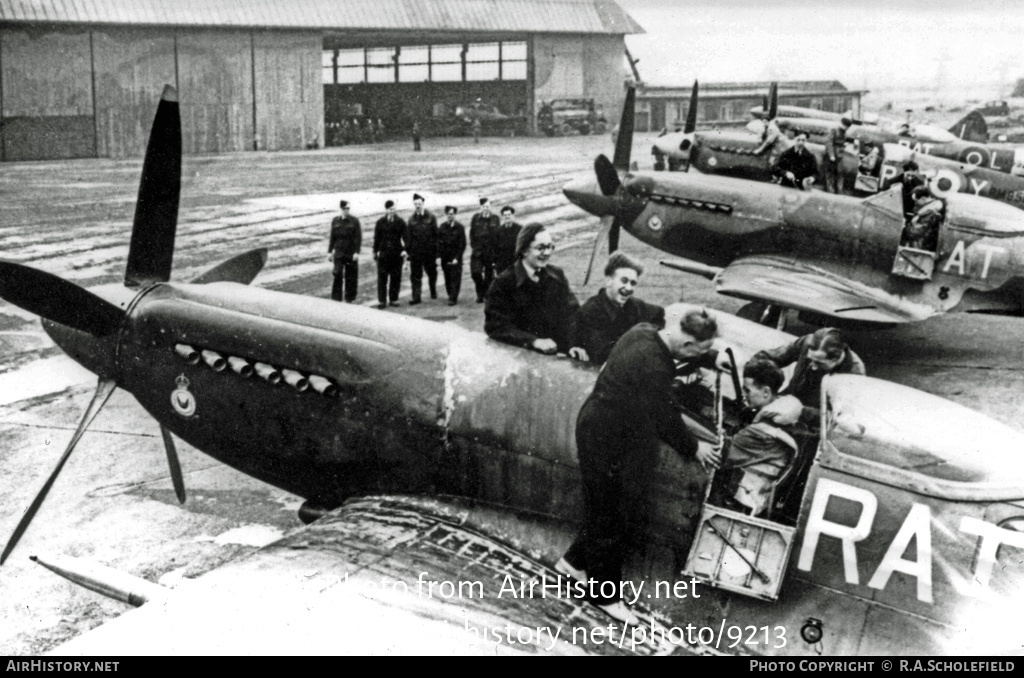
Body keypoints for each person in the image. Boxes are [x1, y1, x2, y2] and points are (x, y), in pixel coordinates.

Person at [557, 308, 722, 624]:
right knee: (612, 513)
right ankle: (604, 595)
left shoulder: (643, 331)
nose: (701, 354)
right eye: (700, 350)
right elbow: (665, 416)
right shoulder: (654, 368)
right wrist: (694, 447)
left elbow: (674, 360)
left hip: (599, 424)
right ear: (687, 344)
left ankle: (573, 563)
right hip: (607, 438)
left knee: (606, 507)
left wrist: (711, 357)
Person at [714, 360, 803, 516]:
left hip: (737, 502)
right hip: (750, 498)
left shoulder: (761, 432)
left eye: (747, 390)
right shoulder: (779, 419)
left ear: (766, 393)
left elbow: (720, 453)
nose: (744, 395)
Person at [484, 223, 581, 357]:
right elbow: (496, 326)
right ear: (524, 250)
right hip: (524, 360)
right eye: (540, 248)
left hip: (560, 358)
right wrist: (533, 341)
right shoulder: (503, 283)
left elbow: (573, 314)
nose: (547, 253)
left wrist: (574, 344)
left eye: (549, 247)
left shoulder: (557, 276)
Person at [753, 327, 865, 424]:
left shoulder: (854, 374)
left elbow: (840, 419)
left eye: (819, 363)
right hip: (784, 402)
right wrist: (754, 380)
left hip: (811, 425)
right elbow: (767, 358)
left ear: (836, 359)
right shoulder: (807, 343)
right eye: (810, 360)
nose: (813, 367)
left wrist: (800, 411)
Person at [571, 252, 665, 365]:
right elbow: (602, 352)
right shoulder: (590, 311)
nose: (629, 288)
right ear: (608, 281)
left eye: (633, 283)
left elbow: (658, 314)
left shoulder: (635, 305)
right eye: (624, 281)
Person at [405, 193, 439, 305]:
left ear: (423, 203)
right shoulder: (411, 219)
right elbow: (408, 237)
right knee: (415, 276)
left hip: (429, 252)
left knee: (432, 273)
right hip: (416, 253)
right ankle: (416, 297)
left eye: (419, 203)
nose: (417, 206)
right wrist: (409, 252)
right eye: (415, 204)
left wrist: (436, 253)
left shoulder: (431, 217)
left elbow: (436, 236)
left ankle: (433, 290)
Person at [373, 200, 406, 309]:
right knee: (382, 279)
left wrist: (405, 250)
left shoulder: (400, 222)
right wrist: (375, 252)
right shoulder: (380, 222)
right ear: (386, 210)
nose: (393, 211)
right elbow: (376, 239)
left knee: (395, 278)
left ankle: (394, 299)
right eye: (391, 209)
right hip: (383, 254)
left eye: (394, 209)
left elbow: (407, 237)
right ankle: (382, 301)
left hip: (396, 254)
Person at [327, 200, 362, 303]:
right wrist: (329, 251)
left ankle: (349, 298)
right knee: (337, 274)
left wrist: (357, 252)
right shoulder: (335, 221)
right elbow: (332, 237)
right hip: (339, 252)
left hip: (350, 252)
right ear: (341, 209)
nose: (347, 210)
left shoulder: (354, 221)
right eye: (345, 209)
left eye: (348, 209)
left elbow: (358, 237)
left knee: (351, 276)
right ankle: (336, 298)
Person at [469, 198, 500, 303]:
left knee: (489, 275)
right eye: (484, 207)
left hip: (490, 251)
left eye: (487, 206)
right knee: (475, 273)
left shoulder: (495, 219)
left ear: (490, 207)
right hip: (478, 251)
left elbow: (498, 236)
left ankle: (485, 295)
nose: (486, 209)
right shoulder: (475, 218)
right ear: (480, 207)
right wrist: (474, 246)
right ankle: (481, 292)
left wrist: (496, 251)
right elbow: (472, 233)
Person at [437, 206, 467, 305]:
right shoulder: (442, 227)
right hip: (445, 257)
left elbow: (462, 244)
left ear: (455, 214)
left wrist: (457, 258)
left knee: (455, 278)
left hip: (455, 257)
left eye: (452, 214)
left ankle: (453, 298)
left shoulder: (460, 227)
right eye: (448, 214)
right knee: (447, 278)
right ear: (446, 215)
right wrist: (438, 256)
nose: (450, 216)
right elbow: (438, 243)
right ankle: (450, 295)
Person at [903, 186, 944, 251]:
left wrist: (903, 226)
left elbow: (915, 232)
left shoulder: (930, 213)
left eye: (916, 200)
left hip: (919, 248)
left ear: (923, 198)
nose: (915, 203)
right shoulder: (926, 209)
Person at [823, 117, 852, 193]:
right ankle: (830, 191)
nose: (845, 128)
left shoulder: (843, 132)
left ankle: (839, 190)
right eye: (845, 126)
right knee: (830, 174)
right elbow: (829, 142)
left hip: (839, 155)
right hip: (832, 155)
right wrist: (831, 155)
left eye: (847, 127)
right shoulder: (834, 130)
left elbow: (841, 141)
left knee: (839, 173)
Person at [493, 205, 522, 274]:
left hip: (517, 261)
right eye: (505, 215)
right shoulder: (498, 232)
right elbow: (495, 249)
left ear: (513, 215)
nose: (507, 216)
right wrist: (495, 264)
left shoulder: (520, 229)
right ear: (502, 217)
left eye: (509, 214)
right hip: (503, 264)